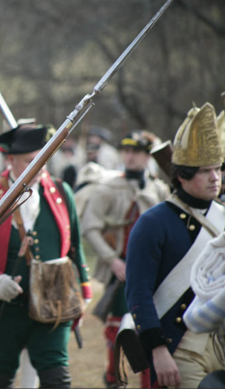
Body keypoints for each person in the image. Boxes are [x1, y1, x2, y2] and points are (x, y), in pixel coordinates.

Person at [0, 122, 92, 389]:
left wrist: (83, 293)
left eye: (43, 161)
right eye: (29, 161)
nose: (38, 169)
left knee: (57, 378)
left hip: (53, 302)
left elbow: (75, 247)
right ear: (9, 159)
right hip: (4, 310)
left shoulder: (62, 193)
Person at [125, 103, 225, 388]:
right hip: (178, 346)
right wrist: (158, 350)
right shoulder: (153, 222)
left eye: (218, 169)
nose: (215, 178)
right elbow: (138, 292)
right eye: (205, 171)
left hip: (223, 346)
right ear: (183, 174)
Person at [81, 130, 169, 388]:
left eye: (137, 152)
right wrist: (113, 260)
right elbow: (90, 227)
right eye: (126, 151)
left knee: (150, 329)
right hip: (122, 269)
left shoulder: (159, 189)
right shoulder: (108, 188)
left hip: (154, 270)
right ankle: (114, 377)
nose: (130, 157)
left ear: (147, 155)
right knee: (117, 329)